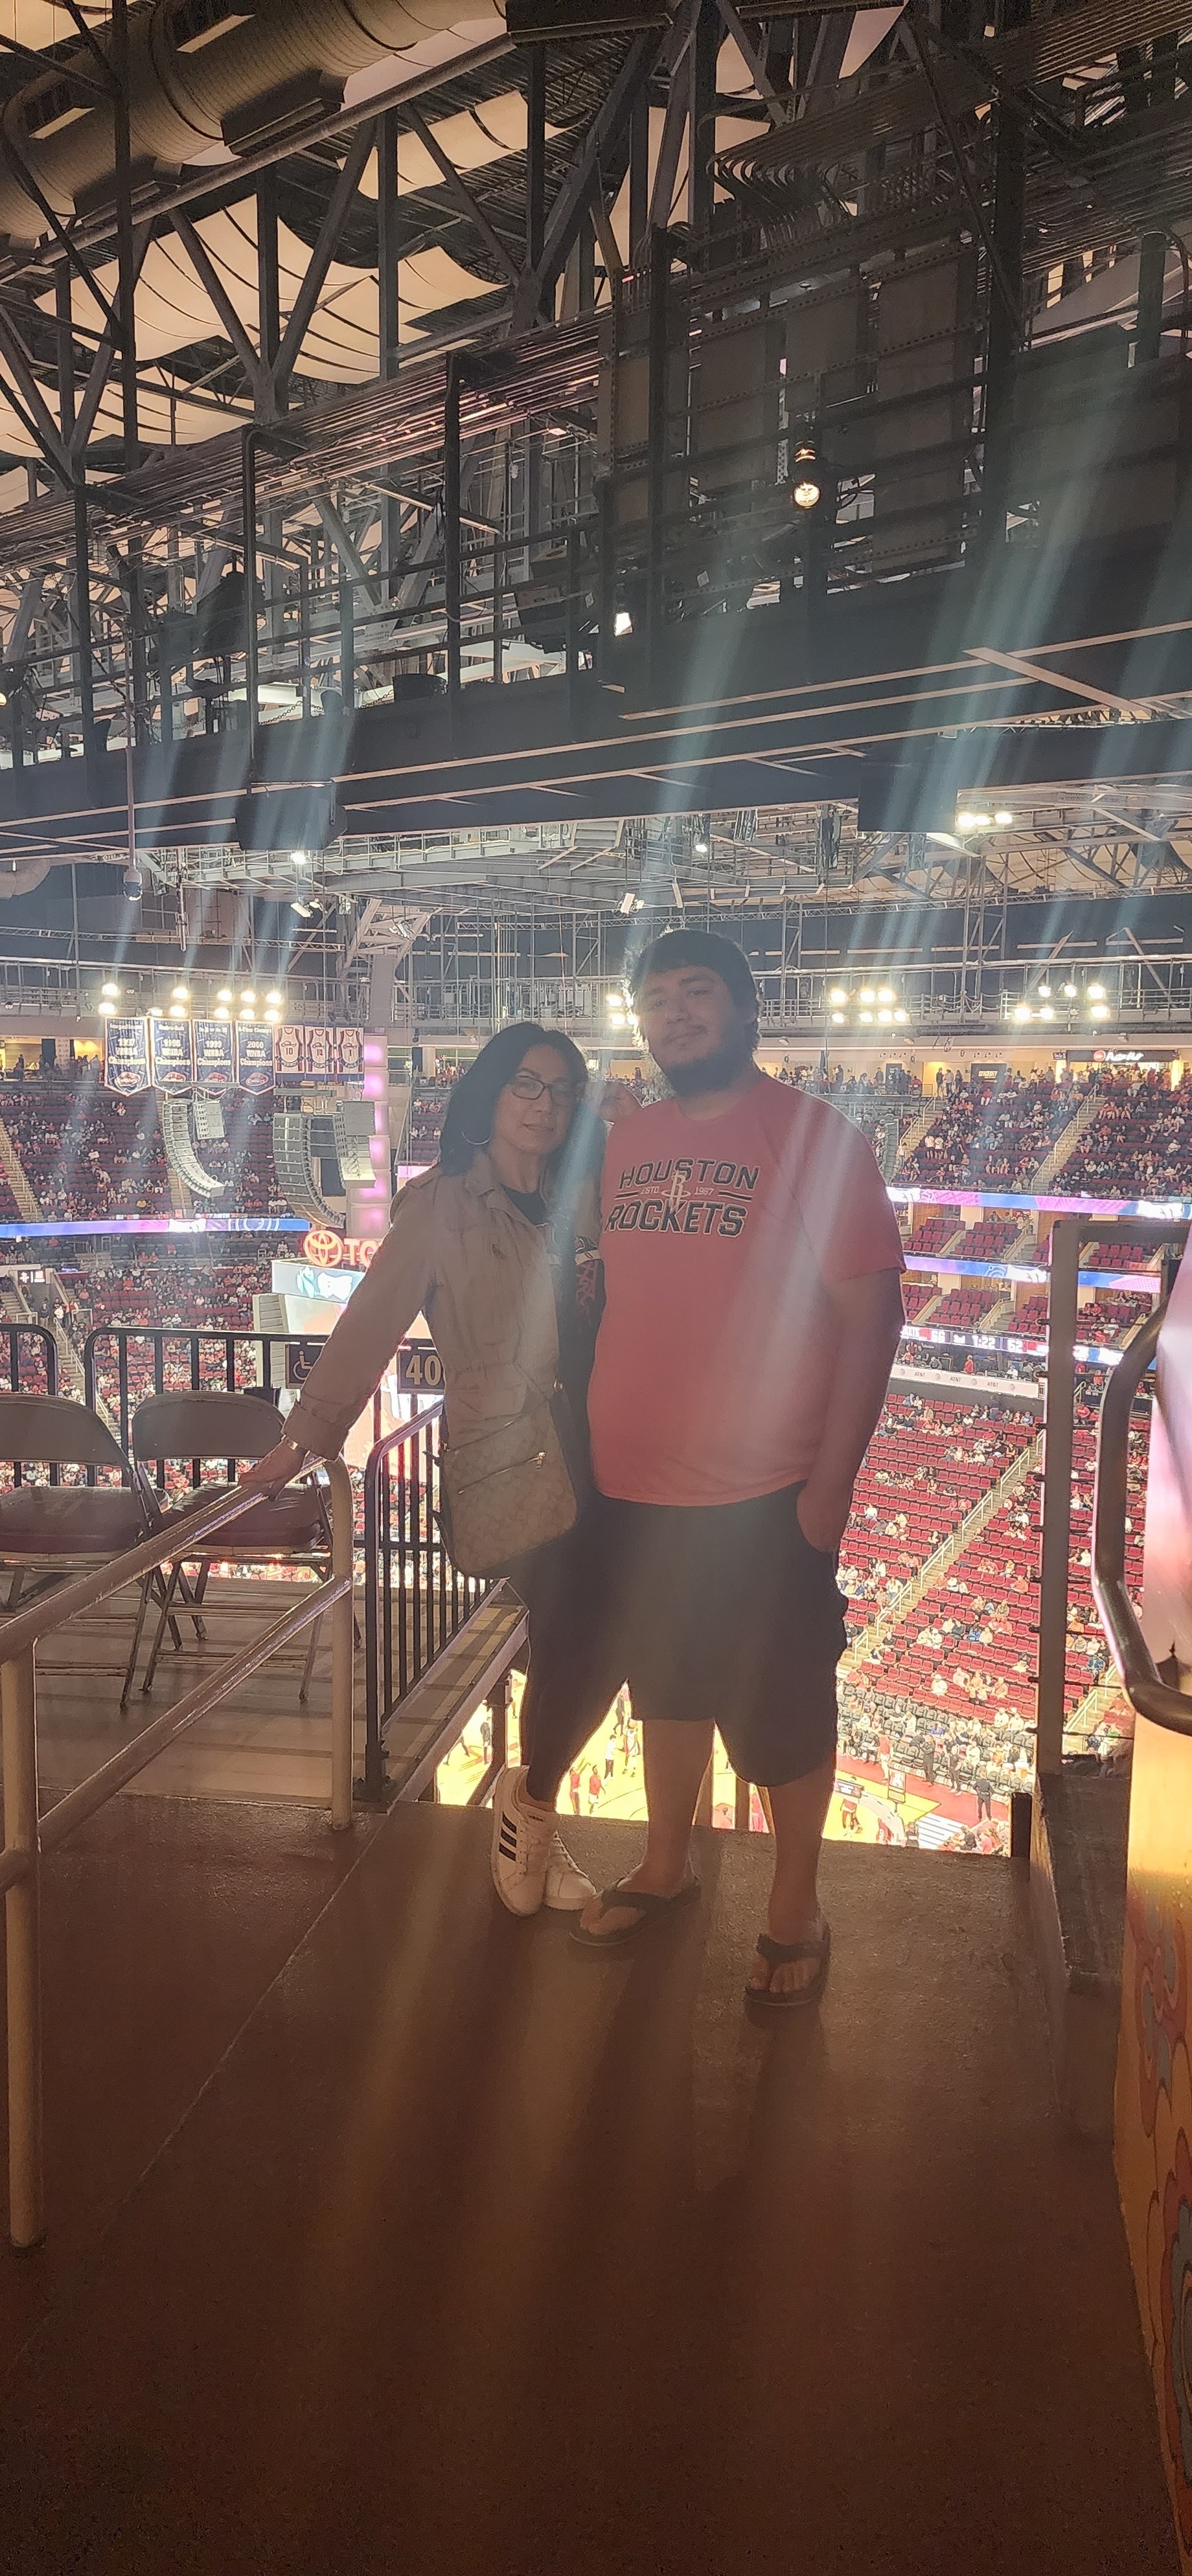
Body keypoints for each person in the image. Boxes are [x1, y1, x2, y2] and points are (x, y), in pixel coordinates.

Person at [533, 928, 904, 2005]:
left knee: (783, 1709)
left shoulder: (818, 1137)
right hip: (632, 1486)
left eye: (697, 992)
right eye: (656, 999)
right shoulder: (627, 1141)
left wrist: (830, 1488)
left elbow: (873, 1316)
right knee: (669, 1686)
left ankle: (795, 1908)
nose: (675, 1013)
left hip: (764, 1494)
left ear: (747, 1011)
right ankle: (667, 1861)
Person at [239, 1021, 603, 1918]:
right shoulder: (439, 1206)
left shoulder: (586, 1196)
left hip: (600, 1445)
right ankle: (531, 1810)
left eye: (562, 1090)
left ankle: (532, 1808)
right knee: (580, 1630)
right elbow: (370, 1322)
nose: (545, 1105)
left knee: (590, 1637)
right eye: (526, 1084)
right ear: (489, 1093)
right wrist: (306, 1437)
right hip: (510, 1454)